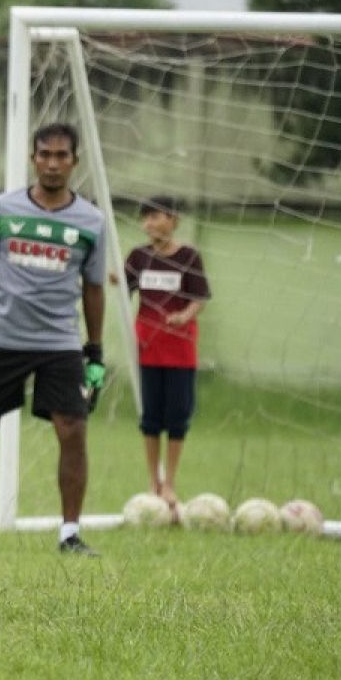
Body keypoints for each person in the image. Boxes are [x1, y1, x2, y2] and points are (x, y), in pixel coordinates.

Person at [0, 122, 106, 556]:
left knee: (74, 431)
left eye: (61, 155)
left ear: (74, 161)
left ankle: (70, 533)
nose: (52, 163)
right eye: (44, 154)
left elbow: (94, 289)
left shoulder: (92, 221)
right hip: (1, 337)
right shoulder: (2, 208)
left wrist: (95, 352)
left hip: (59, 343)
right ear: (33, 159)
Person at [123, 195, 211, 511]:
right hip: (148, 347)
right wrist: (114, 280)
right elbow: (124, 288)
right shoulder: (138, 257)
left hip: (180, 348)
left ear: (173, 220)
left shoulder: (189, 256)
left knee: (177, 415)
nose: (149, 223)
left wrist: (184, 316)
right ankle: (153, 482)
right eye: (145, 217)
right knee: (150, 417)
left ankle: (170, 483)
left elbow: (199, 298)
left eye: (156, 216)